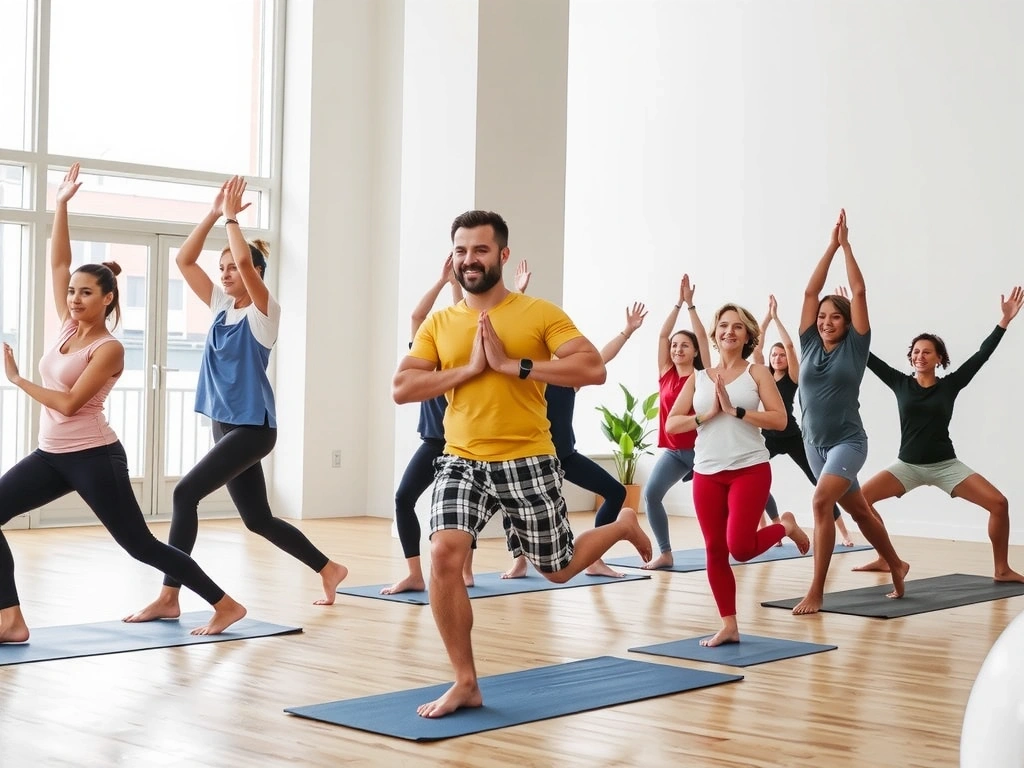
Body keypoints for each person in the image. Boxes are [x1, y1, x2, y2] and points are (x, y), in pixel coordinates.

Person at [392, 210, 652, 718]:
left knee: (555, 570)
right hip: (462, 459)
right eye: (462, 251)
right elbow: (402, 387)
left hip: (528, 458)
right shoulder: (442, 324)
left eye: (481, 250)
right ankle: (465, 681)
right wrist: (467, 370)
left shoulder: (538, 313)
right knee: (444, 553)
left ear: (502, 256)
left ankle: (621, 526)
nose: (470, 260)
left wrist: (515, 366)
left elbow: (592, 366)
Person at [0, 163, 246, 642]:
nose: (72, 298)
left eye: (85, 293)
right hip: (51, 456)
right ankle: (10, 619)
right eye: (71, 291)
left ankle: (225, 603)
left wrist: (16, 379)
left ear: (108, 298)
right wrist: (62, 204)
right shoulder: (69, 328)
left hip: (94, 457)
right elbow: (58, 261)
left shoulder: (109, 348)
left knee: (138, 544)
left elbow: (71, 403)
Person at [126, 176, 348, 624]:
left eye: (232, 267)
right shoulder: (219, 306)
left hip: (253, 428)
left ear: (255, 273)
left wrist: (231, 220)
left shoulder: (266, 312)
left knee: (185, 494)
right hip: (225, 422)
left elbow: (247, 260)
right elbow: (184, 259)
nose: (226, 273)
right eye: (222, 267)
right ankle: (330, 568)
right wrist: (212, 214)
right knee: (258, 519)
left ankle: (170, 596)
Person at [852, 288, 1024, 583]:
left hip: (946, 466)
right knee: (861, 501)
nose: (920, 356)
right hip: (907, 466)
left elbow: (982, 356)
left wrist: (1004, 322)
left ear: (938, 358)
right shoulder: (899, 382)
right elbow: (864, 354)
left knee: (999, 504)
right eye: (916, 351)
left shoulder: (951, 385)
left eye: (926, 352)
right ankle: (886, 559)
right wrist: (851, 313)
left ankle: (1002, 569)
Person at [665, 303, 809, 646]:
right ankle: (729, 625)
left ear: (747, 335)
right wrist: (708, 415)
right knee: (715, 550)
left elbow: (780, 420)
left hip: (750, 469)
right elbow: (672, 424)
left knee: (741, 549)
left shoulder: (757, 373)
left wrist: (736, 411)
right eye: (723, 326)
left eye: (737, 327)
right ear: (714, 334)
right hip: (707, 472)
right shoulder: (698, 378)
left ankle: (784, 525)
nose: (729, 331)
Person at [790, 209, 906, 616]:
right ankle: (896, 564)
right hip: (812, 444)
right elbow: (809, 294)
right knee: (860, 511)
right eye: (822, 317)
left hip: (847, 442)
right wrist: (827, 246)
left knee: (822, 503)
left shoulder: (856, 347)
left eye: (833, 317)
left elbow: (858, 292)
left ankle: (817, 591)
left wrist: (845, 246)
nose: (825, 322)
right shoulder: (807, 345)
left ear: (846, 322)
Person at [501, 293, 648, 580]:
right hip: (534, 458)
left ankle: (595, 559)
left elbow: (602, 357)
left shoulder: (568, 379)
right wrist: (518, 295)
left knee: (616, 492)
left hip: (565, 456)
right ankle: (519, 561)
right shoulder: (528, 381)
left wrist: (627, 331)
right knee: (511, 503)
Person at [382, 255, 469, 595]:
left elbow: (464, 316)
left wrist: (456, 288)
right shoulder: (424, 357)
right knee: (404, 498)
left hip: (463, 444)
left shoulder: (462, 360)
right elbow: (417, 316)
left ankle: (466, 571)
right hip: (434, 442)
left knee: (460, 510)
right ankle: (414, 573)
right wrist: (444, 281)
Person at [751, 295, 855, 546]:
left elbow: (789, 345)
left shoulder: (795, 377)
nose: (777, 358)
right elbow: (757, 346)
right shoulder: (762, 375)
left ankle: (844, 532)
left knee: (820, 483)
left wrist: (777, 319)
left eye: (781, 356)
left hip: (792, 435)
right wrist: (765, 319)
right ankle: (773, 528)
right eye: (773, 355)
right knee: (753, 474)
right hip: (769, 437)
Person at [642, 275, 711, 569]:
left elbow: (705, 339)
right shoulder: (666, 373)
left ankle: (770, 518)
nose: (677, 349)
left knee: (712, 505)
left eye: (685, 346)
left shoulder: (704, 375)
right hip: (674, 451)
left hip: (701, 452)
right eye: (675, 346)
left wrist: (692, 307)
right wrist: (677, 303)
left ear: (694, 351)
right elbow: (661, 336)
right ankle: (666, 553)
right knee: (651, 495)